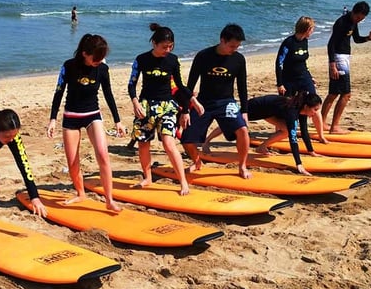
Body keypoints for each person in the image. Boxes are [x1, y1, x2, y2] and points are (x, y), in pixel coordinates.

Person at [47, 34, 125, 212]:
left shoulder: (102, 69)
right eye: (95, 58)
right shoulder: (69, 66)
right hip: (71, 117)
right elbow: (58, 92)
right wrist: (53, 120)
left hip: (92, 115)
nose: (99, 61)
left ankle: (109, 200)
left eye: (101, 57)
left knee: (103, 155)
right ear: (84, 53)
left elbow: (108, 94)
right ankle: (81, 193)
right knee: (72, 161)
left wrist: (118, 121)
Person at [128, 23, 196, 195]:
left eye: (170, 46)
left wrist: (189, 106)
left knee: (168, 143)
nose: (168, 50)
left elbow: (180, 86)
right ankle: (147, 177)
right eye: (164, 47)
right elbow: (131, 84)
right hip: (146, 106)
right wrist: (135, 102)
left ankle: (183, 182)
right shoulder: (141, 59)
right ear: (154, 43)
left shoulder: (172, 60)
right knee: (143, 143)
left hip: (167, 106)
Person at [180, 23, 251, 179]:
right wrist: (185, 110)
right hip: (204, 102)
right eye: (232, 46)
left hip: (227, 102)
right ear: (222, 40)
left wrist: (244, 111)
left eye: (238, 46)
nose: (235, 49)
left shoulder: (239, 59)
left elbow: (242, 87)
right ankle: (197, 162)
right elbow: (190, 86)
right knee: (186, 139)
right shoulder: (203, 56)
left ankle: (242, 166)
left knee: (243, 130)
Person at [202, 92, 324, 176]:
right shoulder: (292, 112)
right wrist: (299, 164)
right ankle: (206, 141)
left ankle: (262, 147)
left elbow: (304, 131)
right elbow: (293, 140)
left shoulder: (302, 110)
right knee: (231, 124)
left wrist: (311, 151)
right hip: (256, 107)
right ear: (306, 106)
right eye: (315, 109)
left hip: (269, 112)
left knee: (286, 131)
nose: (316, 113)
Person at [322, 1, 371, 134]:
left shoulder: (353, 22)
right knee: (346, 94)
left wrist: (369, 38)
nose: (359, 20)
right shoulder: (342, 22)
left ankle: (322, 122)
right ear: (353, 12)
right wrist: (332, 65)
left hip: (344, 58)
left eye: (361, 19)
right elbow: (331, 44)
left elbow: (357, 39)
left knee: (333, 93)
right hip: (339, 59)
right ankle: (334, 127)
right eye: (358, 17)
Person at [275, 16, 328, 144]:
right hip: (289, 80)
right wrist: (280, 84)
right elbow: (279, 63)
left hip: (304, 77)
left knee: (315, 104)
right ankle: (279, 133)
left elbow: (303, 62)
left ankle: (321, 135)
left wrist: (310, 76)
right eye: (312, 29)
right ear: (307, 29)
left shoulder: (305, 41)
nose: (313, 31)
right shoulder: (288, 43)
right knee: (285, 107)